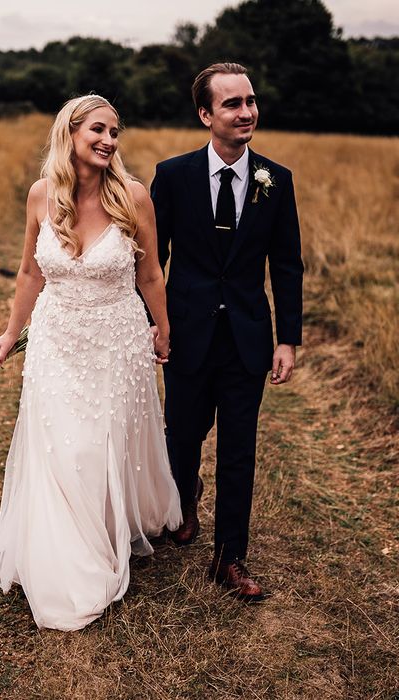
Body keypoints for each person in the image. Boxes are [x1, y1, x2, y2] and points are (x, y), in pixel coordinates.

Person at [0, 94, 181, 631]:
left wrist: (161, 328)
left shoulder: (134, 197)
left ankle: (102, 536)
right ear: (70, 132)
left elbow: (150, 277)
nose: (109, 141)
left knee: (97, 446)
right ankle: (66, 557)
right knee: (60, 446)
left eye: (116, 132)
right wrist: (10, 335)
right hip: (55, 339)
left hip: (116, 340)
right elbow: (29, 275)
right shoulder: (41, 196)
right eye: (98, 129)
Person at [151, 63, 303, 600]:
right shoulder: (172, 176)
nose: (247, 112)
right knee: (181, 438)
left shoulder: (276, 180)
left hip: (247, 337)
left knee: (239, 449)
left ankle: (230, 558)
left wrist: (287, 338)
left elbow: (287, 263)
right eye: (233, 104)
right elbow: (154, 259)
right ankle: (183, 501)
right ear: (205, 114)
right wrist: (154, 324)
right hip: (188, 332)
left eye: (251, 101)